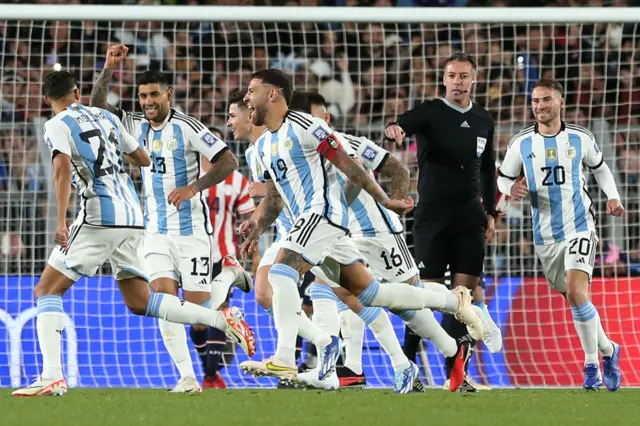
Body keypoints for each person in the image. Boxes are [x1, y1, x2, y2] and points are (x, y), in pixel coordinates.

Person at [238, 69, 483, 393]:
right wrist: (257, 224)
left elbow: (349, 165)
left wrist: (384, 198)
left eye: (251, 90)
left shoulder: (307, 127)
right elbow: (273, 197)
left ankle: (285, 356)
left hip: (325, 215)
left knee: (281, 272)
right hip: (311, 226)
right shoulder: (261, 147)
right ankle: (454, 302)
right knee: (372, 295)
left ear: (273, 94)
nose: (245, 97)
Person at [11, 71, 253, 397]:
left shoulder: (55, 124)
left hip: (101, 218)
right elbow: (142, 157)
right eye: (143, 96)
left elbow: (62, 168)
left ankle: (52, 375)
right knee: (142, 302)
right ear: (77, 91)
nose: (148, 102)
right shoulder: (103, 116)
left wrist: (60, 220)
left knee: (45, 291)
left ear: (45, 100)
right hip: (136, 220)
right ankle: (221, 322)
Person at [90, 44, 254, 393]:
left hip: (192, 232)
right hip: (154, 233)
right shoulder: (133, 124)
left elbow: (229, 161)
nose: (147, 101)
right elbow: (98, 106)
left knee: (197, 314)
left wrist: (194, 187)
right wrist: (108, 67)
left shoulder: (190, 127)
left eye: (154, 95)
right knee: (164, 304)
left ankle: (228, 273)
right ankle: (187, 377)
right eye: (142, 96)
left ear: (168, 94)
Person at [497, 79, 623, 391]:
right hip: (544, 235)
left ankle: (591, 364)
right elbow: (503, 178)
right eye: (536, 101)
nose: (540, 106)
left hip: (580, 225)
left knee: (579, 293)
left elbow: (601, 168)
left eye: (546, 100)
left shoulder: (580, 137)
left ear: (560, 102)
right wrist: (510, 189)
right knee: (575, 300)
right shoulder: (520, 143)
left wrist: (613, 196)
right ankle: (609, 350)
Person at [385, 52, 497, 363]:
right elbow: (404, 123)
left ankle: (458, 372)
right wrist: (395, 128)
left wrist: (491, 213)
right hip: (432, 217)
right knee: (426, 298)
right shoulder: (432, 111)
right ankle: (407, 364)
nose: (457, 82)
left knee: (464, 299)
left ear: (473, 80)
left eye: (463, 76)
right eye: (452, 76)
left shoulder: (483, 119)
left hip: (470, 218)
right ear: (444, 79)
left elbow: (488, 169)